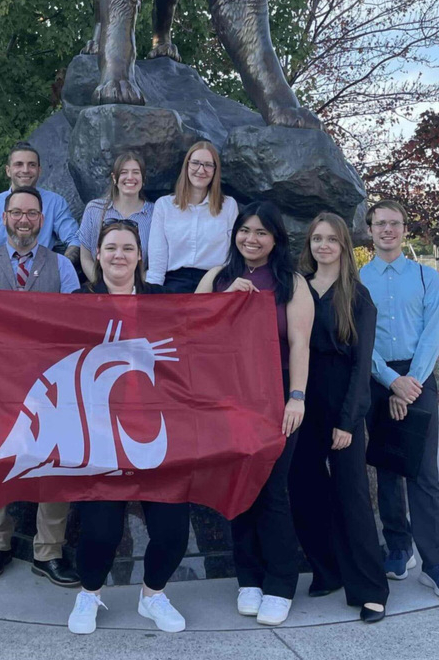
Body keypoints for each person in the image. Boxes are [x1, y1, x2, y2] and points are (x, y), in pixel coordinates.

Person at [67, 219, 189, 635]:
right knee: (100, 533)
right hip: (100, 435)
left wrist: (237, 296)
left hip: (158, 432)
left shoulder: (163, 301)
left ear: (140, 257)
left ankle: (152, 595)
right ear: (97, 255)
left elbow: (197, 343)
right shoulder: (77, 301)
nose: (119, 255)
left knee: (173, 531)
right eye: (111, 247)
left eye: (127, 248)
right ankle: (90, 592)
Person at [196, 201, 314, 626]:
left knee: (273, 488)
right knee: (240, 486)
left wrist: (296, 396)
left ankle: (281, 582)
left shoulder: (292, 282)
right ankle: (248, 577)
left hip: (278, 394)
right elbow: (192, 336)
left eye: (262, 232)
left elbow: (300, 343)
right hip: (230, 396)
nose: (252, 238)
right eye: (245, 230)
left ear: (276, 239)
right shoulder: (217, 278)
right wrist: (223, 301)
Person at [0, 186, 80, 587]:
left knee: (54, 462)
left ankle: (48, 551)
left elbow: (75, 324)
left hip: (50, 383)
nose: (23, 219)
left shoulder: (62, 267)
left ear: (42, 220)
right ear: (4, 218)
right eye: (16, 213)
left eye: (31, 213)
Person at [289, 212, 389, 623]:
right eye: (317, 239)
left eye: (331, 239)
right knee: (305, 489)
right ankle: (327, 570)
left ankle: (370, 588)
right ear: (309, 245)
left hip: (341, 402)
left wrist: (348, 423)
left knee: (352, 496)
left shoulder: (357, 297)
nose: (323, 245)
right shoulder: (298, 290)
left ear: (344, 245)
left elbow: (361, 366)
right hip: (301, 401)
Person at [361, 200, 439, 598]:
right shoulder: (358, 279)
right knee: (388, 468)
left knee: (424, 474)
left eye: (394, 224)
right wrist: (391, 381)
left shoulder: (426, 276)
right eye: (380, 224)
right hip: (377, 378)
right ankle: (399, 546)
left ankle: (436, 563)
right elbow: (360, 338)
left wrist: (410, 383)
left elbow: (434, 332)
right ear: (369, 230)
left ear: (403, 229)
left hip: (419, 376)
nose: (387, 230)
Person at [146, 141, 238, 292]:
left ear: (215, 170)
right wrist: (152, 295)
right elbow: (158, 259)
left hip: (214, 283)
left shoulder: (228, 206)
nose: (201, 170)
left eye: (208, 165)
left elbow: (232, 255)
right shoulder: (164, 205)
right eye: (195, 163)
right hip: (175, 284)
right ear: (187, 165)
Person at [0, 141, 80, 263]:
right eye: (19, 164)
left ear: (39, 170)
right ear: (8, 170)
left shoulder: (55, 203)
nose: (25, 170)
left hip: (43, 275)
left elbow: (75, 239)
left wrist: (61, 269)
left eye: (32, 165)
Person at [78, 152, 154, 281]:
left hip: (140, 291)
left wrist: (131, 289)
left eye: (136, 172)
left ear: (143, 178)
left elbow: (157, 264)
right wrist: (102, 284)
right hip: (99, 289)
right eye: (124, 172)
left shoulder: (155, 213)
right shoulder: (94, 209)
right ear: (114, 178)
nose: (130, 177)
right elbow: (85, 257)